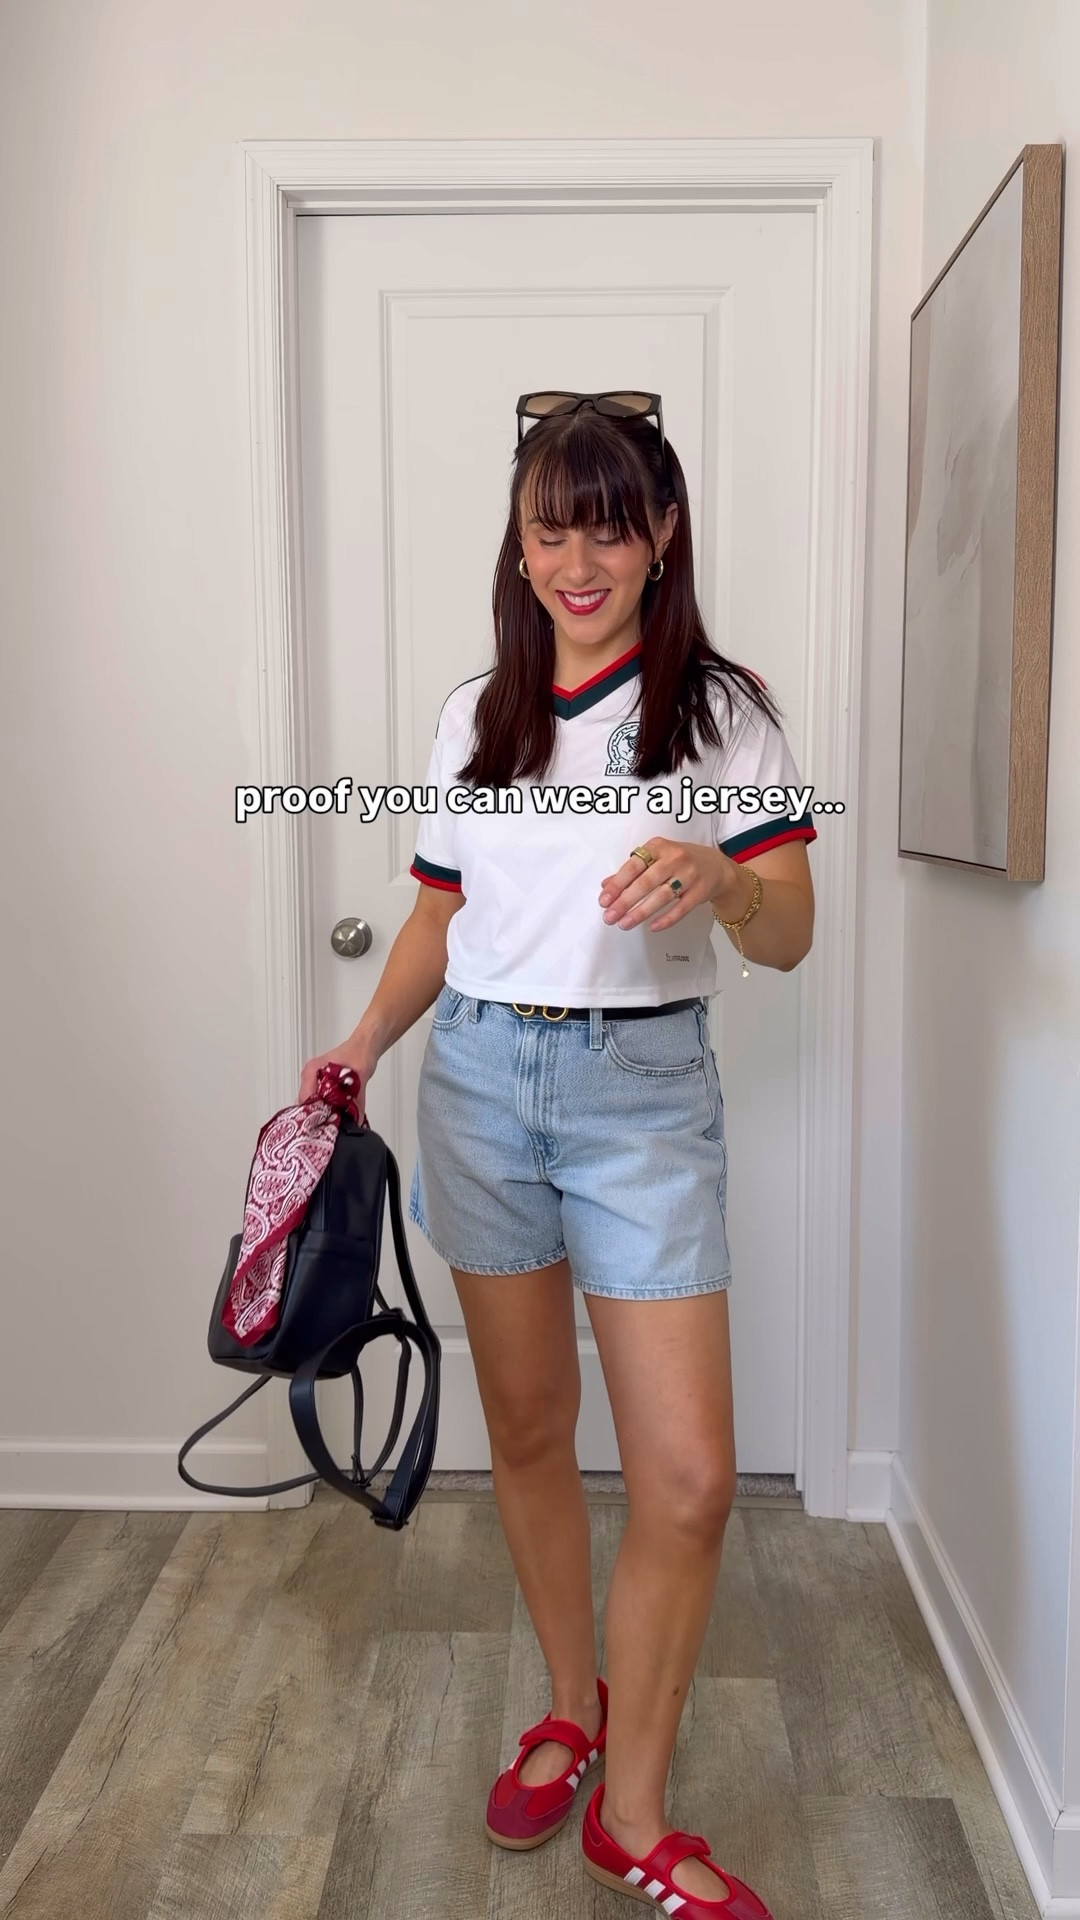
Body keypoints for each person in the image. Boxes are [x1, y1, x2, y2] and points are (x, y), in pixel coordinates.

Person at [299, 391, 815, 1918]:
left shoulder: (724, 716)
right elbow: (440, 915)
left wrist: (725, 879)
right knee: (528, 1430)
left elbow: (790, 934)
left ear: (662, 537)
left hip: (641, 1095)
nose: (578, 562)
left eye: (609, 527)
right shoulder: (481, 715)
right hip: (477, 1082)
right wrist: (362, 1043)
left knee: (689, 1479)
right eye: (549, 529)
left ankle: (632, 1815)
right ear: (518, 547)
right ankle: (570, 1708)